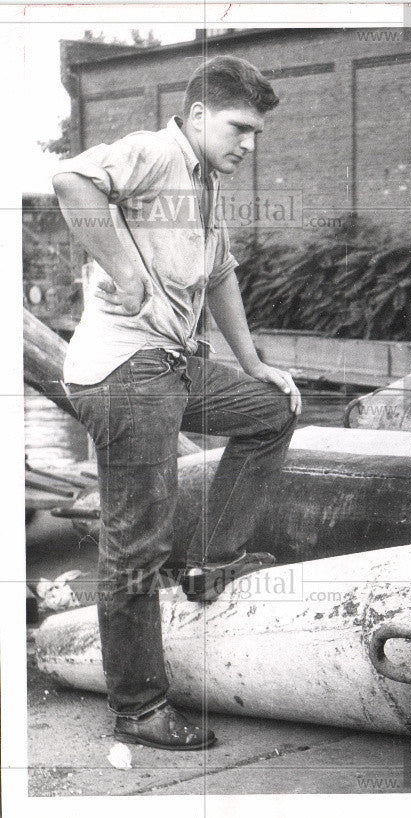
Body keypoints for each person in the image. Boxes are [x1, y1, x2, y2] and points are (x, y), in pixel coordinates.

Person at [52, 55, 301, 751]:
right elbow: (71, 178)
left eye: (256, 134)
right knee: (134, 544)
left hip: (169, 368)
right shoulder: (159, 153)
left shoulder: (202, 180)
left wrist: (255, 364)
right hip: (127, 373)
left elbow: (219, 273)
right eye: (239, 128)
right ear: (197, 116)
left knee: (270, 413)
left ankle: (210, 565)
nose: (249, 146)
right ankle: (138, 709)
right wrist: (124, 268)